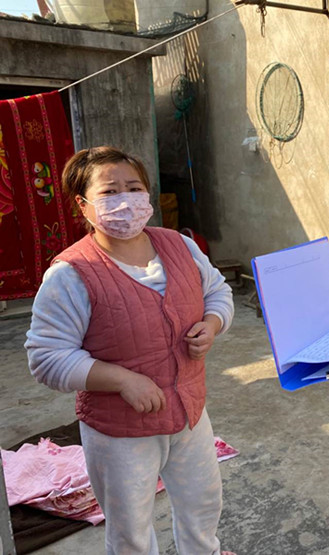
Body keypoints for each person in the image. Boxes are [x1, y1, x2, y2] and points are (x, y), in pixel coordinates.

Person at [24, 146, 235, 555]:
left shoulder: (180, 246)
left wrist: (212, 324)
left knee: (203, 504)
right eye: (109, 192)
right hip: (119, 432)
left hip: (189, 411)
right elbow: (46, 357)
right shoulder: (70, 274)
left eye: (134, 187)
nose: (125, 199)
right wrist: (122, 380)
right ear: (83, 205)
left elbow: (217, 292)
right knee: (131, 531)